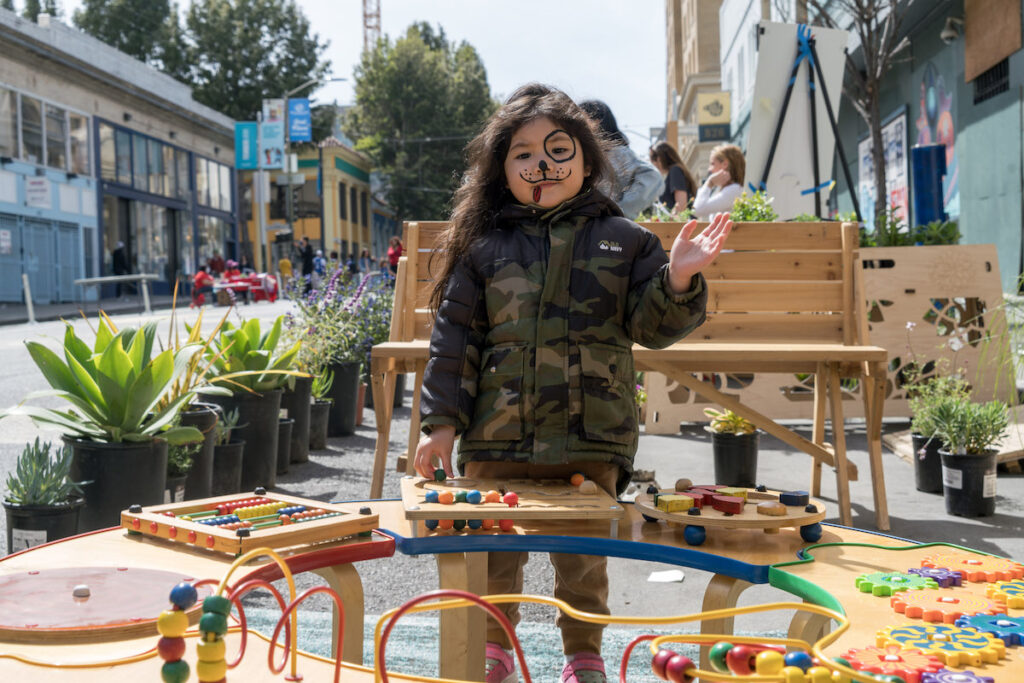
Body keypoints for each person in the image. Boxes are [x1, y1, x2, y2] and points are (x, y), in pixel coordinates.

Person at [412, 83, 730, 683]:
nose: (542, 164)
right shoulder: (484, 249)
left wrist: (680, 279)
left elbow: (651, 327)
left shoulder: (625, 241)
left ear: (588, 162)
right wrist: (441, 425)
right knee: (491, 550)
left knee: (583, 555)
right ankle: (493, 648)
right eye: (523, 153)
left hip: (591, 436)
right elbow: (455, 341)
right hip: (496, 437)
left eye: (558, 150)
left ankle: (584, 655)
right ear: (501, 170)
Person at [579, 100, 661, 219]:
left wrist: (622, 209)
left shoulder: (616, 153)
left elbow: (652, 177)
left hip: (608, 228)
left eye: (581, 118)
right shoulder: (586, 154)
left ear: (597, 121)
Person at [692, 143, 745, 220]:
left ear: (725, 164)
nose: (709, 169)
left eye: (712, 164)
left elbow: (697, 210)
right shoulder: (727, 189)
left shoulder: (733, 190)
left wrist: (709, 182)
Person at [648, 141, 698, 215]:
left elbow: (681, 205)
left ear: (659, 158)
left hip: (680, 224)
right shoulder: (675, 171)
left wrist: (670, 220)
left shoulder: (675, 170)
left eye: (653, 158)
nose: (652, 163)